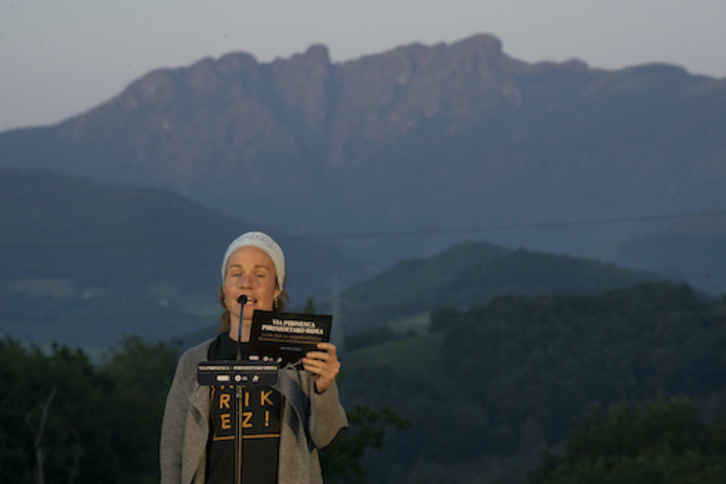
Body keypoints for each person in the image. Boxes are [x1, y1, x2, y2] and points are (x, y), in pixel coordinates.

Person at [160, 231, 348, 484]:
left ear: (276, 290)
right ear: (224, 290)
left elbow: (326, 438)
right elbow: (172, 452)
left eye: (260, 275)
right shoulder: (193, 362)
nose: (246, 283)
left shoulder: (302, 358)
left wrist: (324, 390)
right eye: (236, 273)